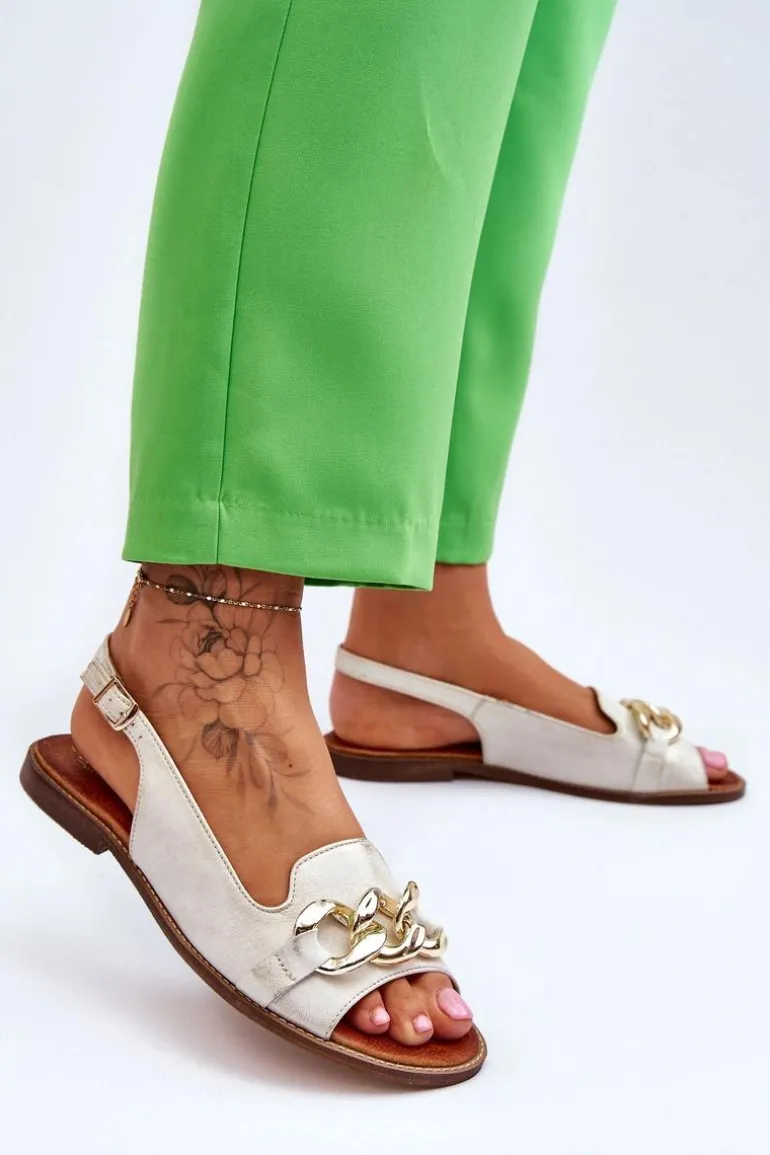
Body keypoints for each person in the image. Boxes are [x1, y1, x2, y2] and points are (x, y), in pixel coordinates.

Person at [21, 0, 744, 1089]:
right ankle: (205, 624)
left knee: (520, 51)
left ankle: (426, 617)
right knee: (380, 33)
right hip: (213, 637)